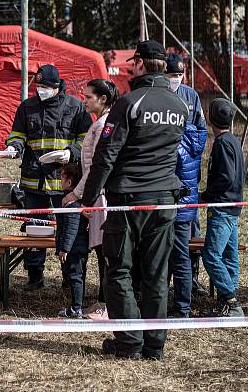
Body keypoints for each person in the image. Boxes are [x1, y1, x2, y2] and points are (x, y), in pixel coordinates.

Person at [81, 39, 188, 361]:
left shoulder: (130, 103)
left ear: (139, 63)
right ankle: (154, 345)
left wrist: (88, 198)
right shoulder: (179, 105)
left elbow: (106, 154)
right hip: (165, 199)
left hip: (129, 200)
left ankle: (129, 343)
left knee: (120, 271)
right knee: (156, 273)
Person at [4, 64, 91, 291]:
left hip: (65, 181)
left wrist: (70, 153)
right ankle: (35, 277)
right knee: (35, 227)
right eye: (38, 86)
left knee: (67, 230)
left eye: (45, 87)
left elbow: (86, 140)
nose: (41, 90)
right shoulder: (27, 107)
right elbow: (17, 134)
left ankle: (68, 279)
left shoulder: (75, 106)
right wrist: (14, 146)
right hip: (34, 180)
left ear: (57, 86)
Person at [62, 79, 120, 320]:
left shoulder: (105, 125)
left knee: (105, 253)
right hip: (96, 196)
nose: (84, 101)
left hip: (101, 196)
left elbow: (97, 167)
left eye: (88, 97)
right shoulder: (98, 124)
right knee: (100, 250)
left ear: (103, 99)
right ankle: (101, 302)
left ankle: (106, 305)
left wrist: (77, 195)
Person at [165, 53, 208, 318]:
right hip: (180, 198)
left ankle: (183, 303)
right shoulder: (161, 95)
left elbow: (200, 131)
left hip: (181, 200)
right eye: (171, 75)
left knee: (181, 251)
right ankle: (178, 303)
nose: (175, 80)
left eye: (179, 75)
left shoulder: (192, 97)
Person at [200, 99, 246, 317]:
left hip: (222, 207)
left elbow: (226, 177)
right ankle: (227, 299)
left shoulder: (222, 143)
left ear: (212, 118)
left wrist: (207, 195)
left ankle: (230, 299)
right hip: (232, 206)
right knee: (229, 254)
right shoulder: (232, 140)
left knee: (210, 255)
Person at [56, 163, 89, 318]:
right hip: (78, 247)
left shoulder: (71, 204)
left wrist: (65, 249)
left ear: (69, 182)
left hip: (75, 248)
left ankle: (76, 308)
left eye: (61, 178)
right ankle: (77, 305)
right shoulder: (73, 202)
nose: (59, 181)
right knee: (77, 276)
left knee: (76, 276)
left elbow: (71, 228)